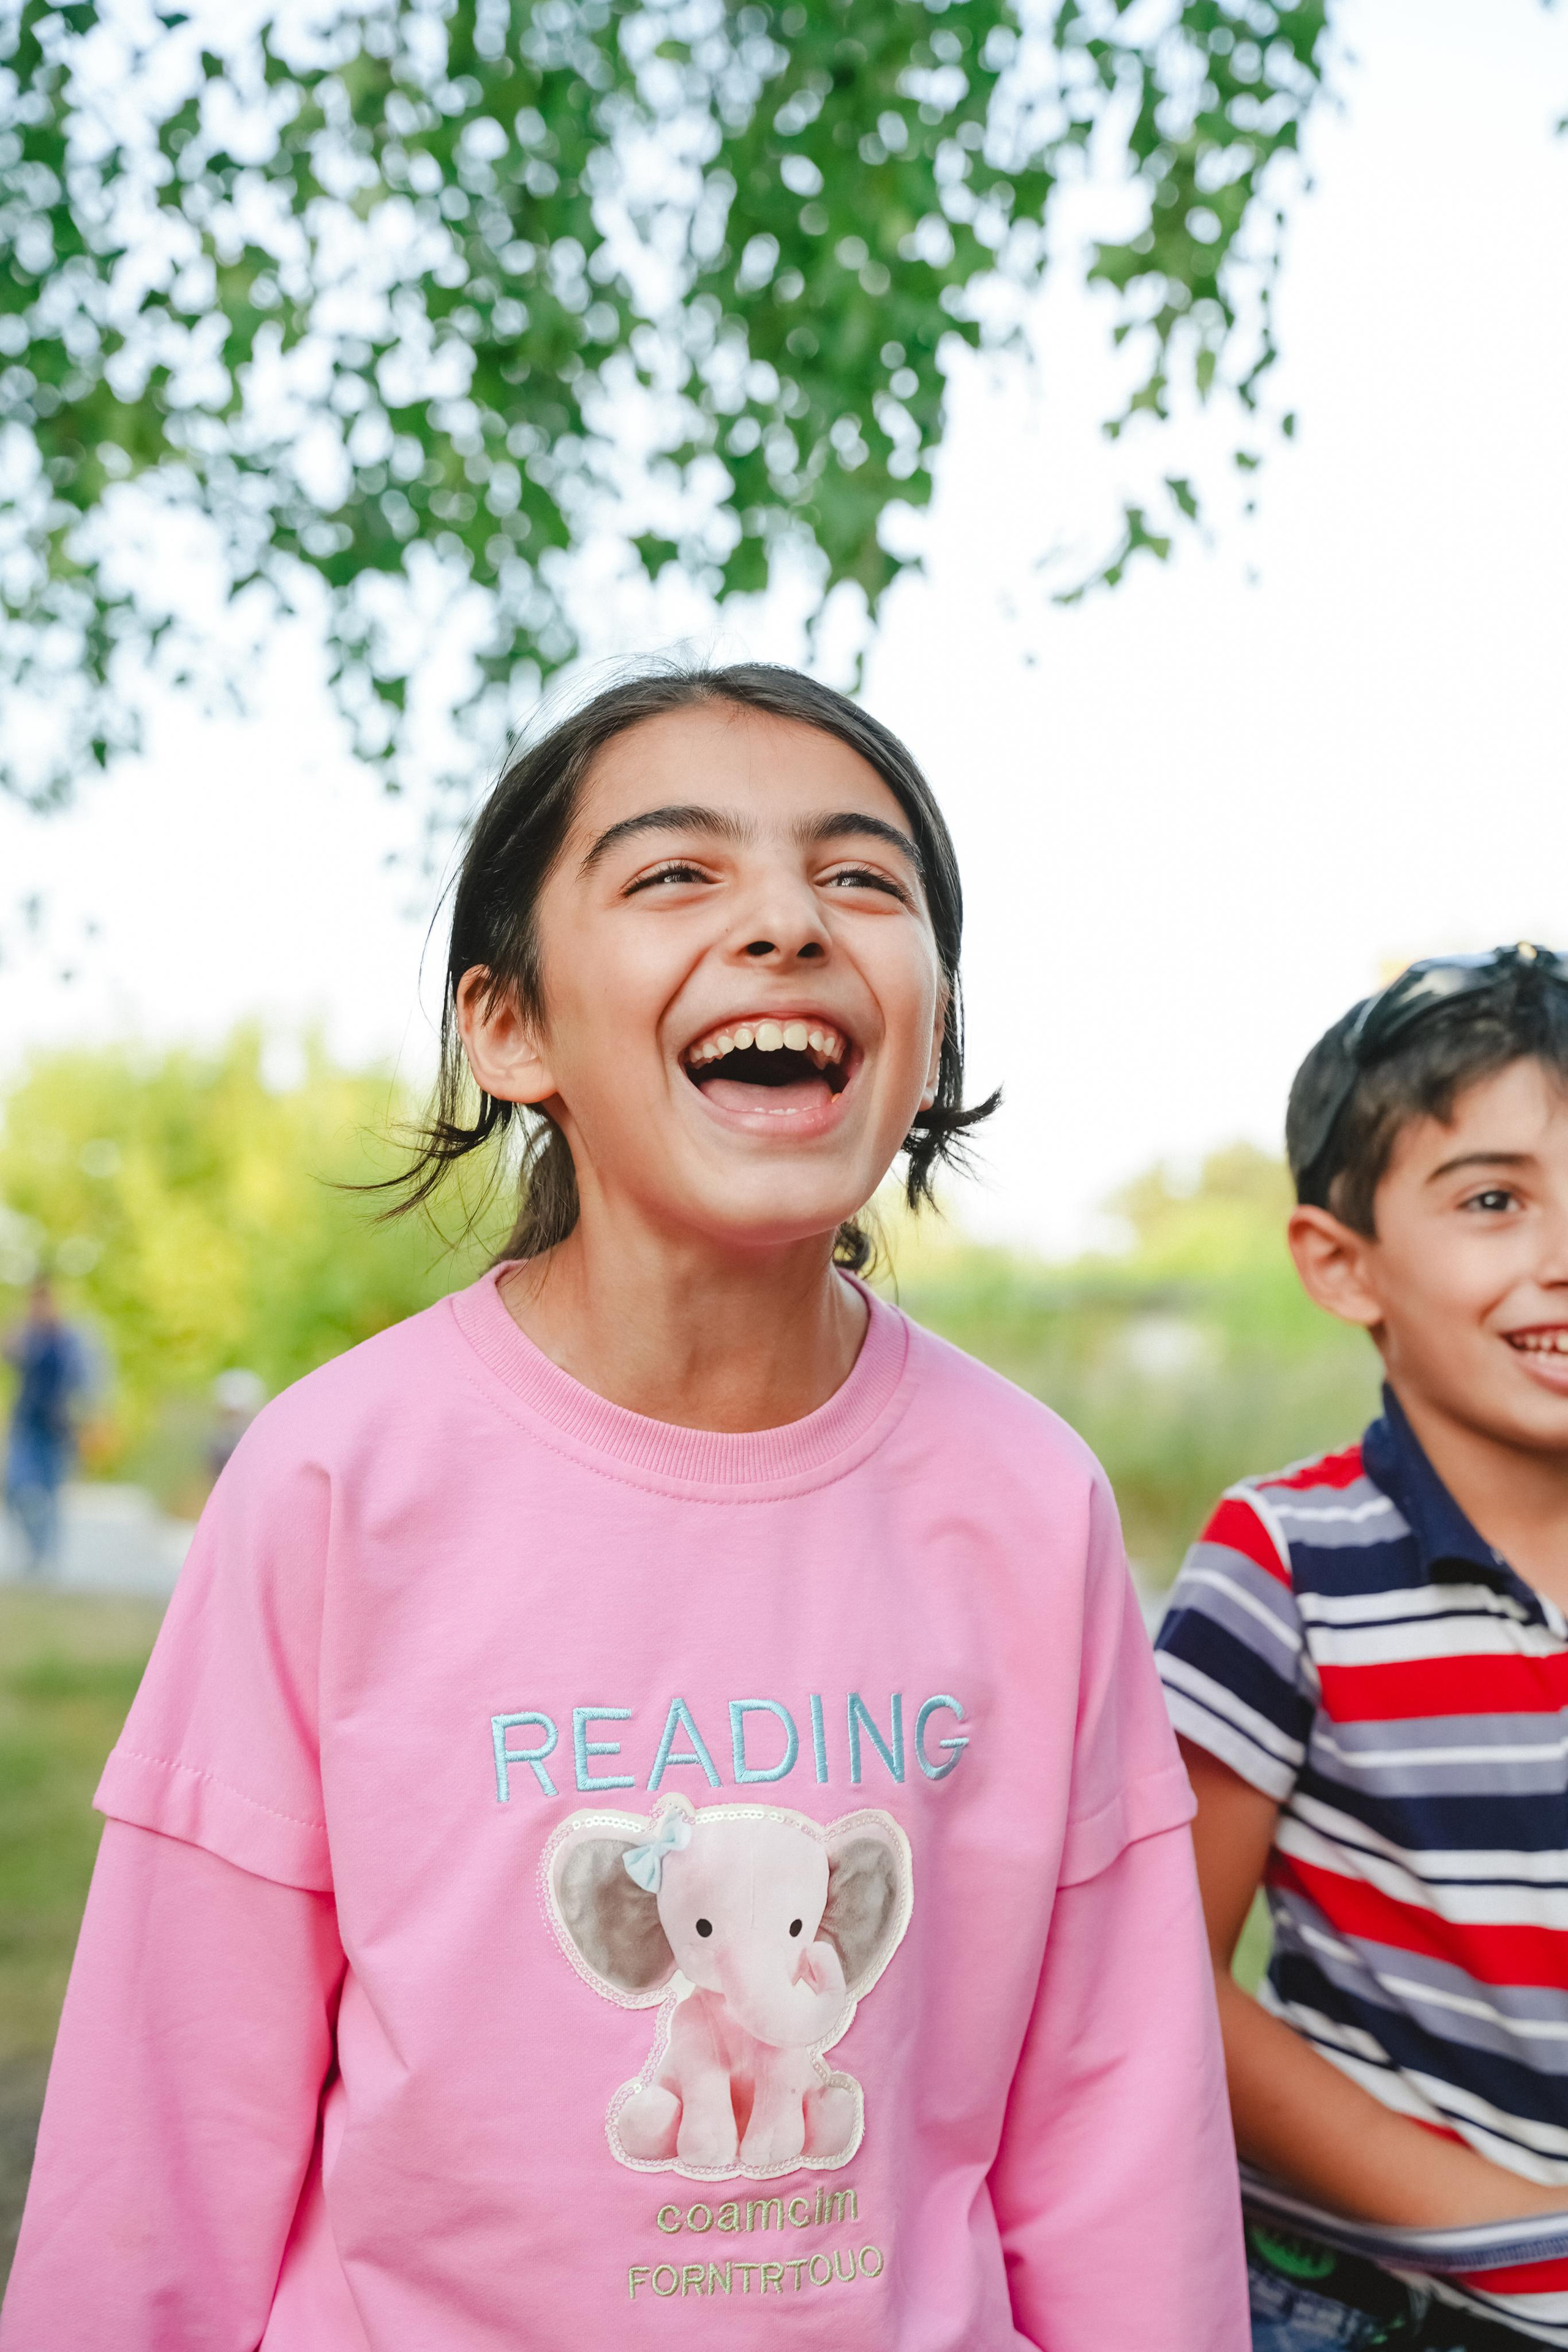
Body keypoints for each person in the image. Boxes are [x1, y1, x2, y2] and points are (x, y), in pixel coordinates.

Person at [1, 664, 1246, 2350]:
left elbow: (1121, 2130)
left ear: (930, 1023)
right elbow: (158, 2151)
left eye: (863, 877)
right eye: (677, 872)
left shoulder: (1030, 1498)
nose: (791, 922)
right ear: (511, 1029)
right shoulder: (333, 1484)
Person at [1155, 944, 1568, 2349]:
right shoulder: (1283, 1564)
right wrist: (1504, 2227)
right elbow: (1155, 1972)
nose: (1558, 1253)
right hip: (1373, 2304)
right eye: (1493, 1200)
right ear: (1342, 1265)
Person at [3, 1276, 89, 1577]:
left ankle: (47, 1562)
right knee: (13, 1489)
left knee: (52, 1496)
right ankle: (36, 1549)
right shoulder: (27, 1336)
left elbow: (82, 1380)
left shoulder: (68, 1339)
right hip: (27, 1425)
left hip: (57, 1428)